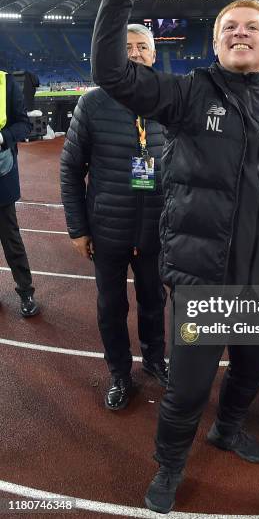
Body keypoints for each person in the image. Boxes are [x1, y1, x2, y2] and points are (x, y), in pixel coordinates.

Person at [91, 0, 259, 514]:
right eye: (230, 27)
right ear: (216, 43)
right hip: (208, 280)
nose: (241, 33)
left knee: (252, 371)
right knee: (187, 390)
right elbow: (110, 73)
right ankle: (170, 467)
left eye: (253, 26)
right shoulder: (187, 94)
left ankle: (228, 429)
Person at [60, 24, 168, 411]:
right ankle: (120, 373)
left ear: (154, 54)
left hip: (157, 229)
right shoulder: (92, 104)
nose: (136, 53)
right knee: (111, 307)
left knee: (155, 300)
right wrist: (78, 228)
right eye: (128, 48)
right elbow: (71, 169)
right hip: (108, 230)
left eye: (143, 47)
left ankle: (156, 360)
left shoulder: (170, 101)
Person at [0, 69, 39, 317]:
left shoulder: (6, 81)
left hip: (1, 173)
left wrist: (2, 138)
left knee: (10, 238)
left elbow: (23, 124)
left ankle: (26, 293)